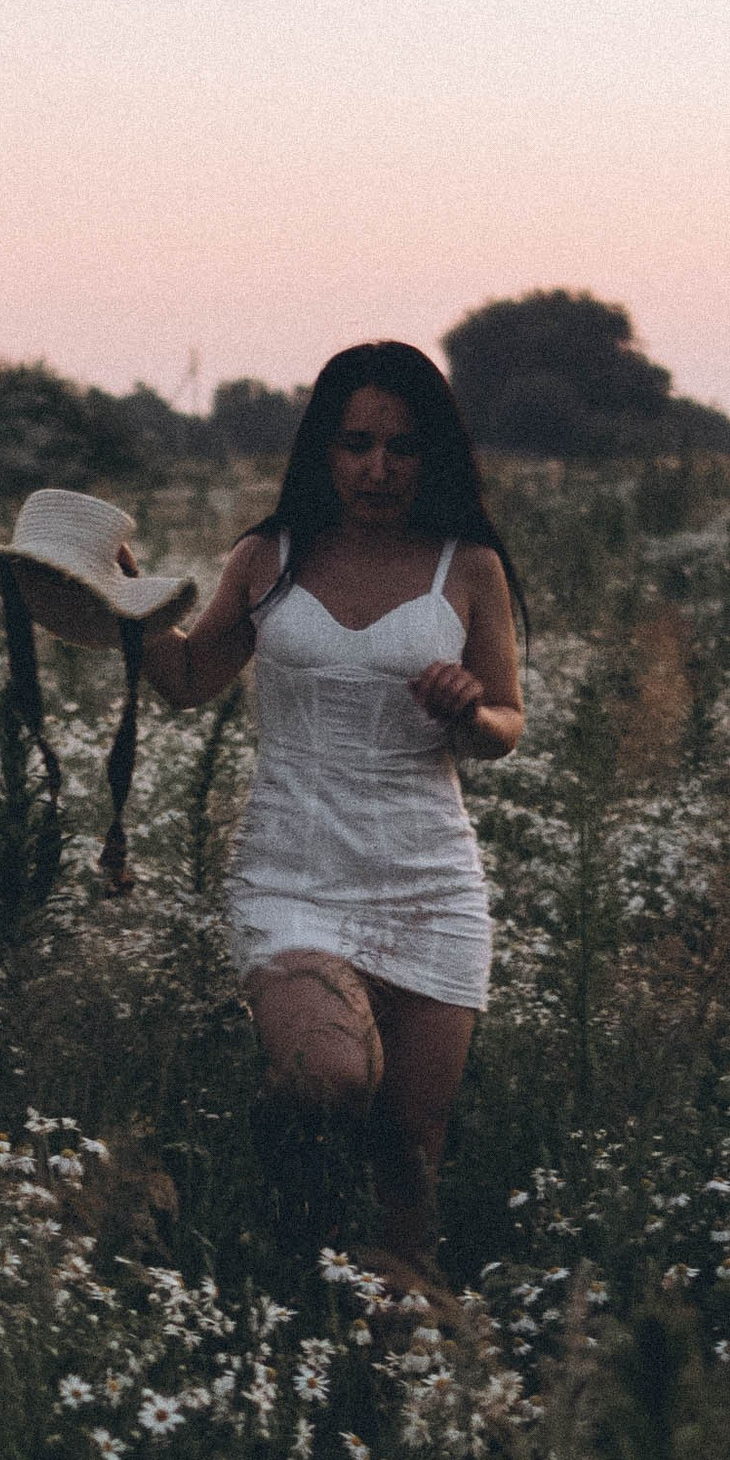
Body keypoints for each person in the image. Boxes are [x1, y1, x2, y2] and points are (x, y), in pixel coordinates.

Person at [140, 342, 524, 1287]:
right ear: (323, 449)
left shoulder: (468, 567)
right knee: (332, 1075)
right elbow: (186, 678)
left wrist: (468, 712)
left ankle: (386, 1329)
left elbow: (506, 726)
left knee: (408, 1155)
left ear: (432, 456)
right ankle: (271, 1197)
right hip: (293, 878)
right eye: (356, 443)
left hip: (430, 885)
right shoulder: (267, 557)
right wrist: (119, 603)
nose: (377, 468)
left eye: (401, 447)